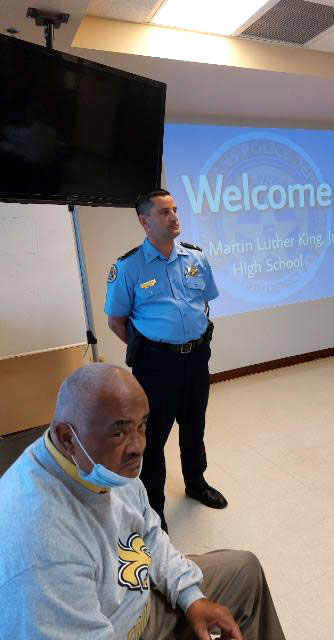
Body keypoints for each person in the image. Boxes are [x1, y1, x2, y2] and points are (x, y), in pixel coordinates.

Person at [0, 364, 286, 640]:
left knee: (244, 570)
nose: (138, 446)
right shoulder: (42, 549)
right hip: (108, 629)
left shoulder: (96, 464)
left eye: (142, 425)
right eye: (119, 431)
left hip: (135, 600)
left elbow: (148, 533)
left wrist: (191, 597)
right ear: (67, 438)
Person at [105, 189, 226, 532]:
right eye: (163, 212)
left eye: (174, 210)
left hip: (196, 357)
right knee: (153, 437)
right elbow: (116, 321)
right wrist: (152, 349)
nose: (174, 217)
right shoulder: (128, 267)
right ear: (144, 221)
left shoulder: (196, 259)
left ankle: (196, 483)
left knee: (194, 424)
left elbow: (205, 301)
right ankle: (154, 508)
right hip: (155, 367)